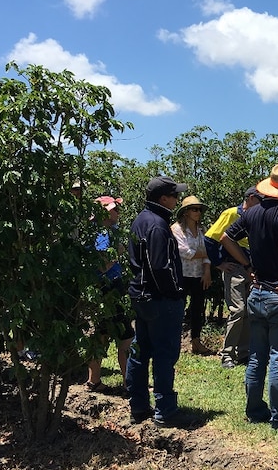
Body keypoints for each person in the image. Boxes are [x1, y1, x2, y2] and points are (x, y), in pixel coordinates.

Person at [221, 163, 278, 431]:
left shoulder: (252, 212)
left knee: (257, 357)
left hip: (257, 293)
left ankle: (254, 409)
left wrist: (247, 266)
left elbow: (225, 237)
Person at [126, 175, 192, 427]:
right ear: (163, 198)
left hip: (141, 296)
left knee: (141, 351)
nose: (177, 199)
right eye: (175, 195)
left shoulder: (142, 219)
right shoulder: (157, 225)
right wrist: (175, 292)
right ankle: (165, 410)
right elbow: (158, 267)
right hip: (158, 298)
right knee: (164, 354)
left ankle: (139, 407)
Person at [206, 185, 265, 368]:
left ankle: (244, 353)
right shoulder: (232, 214)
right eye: (260, 200)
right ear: (250, 198)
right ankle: (227, 354)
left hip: (252, 269)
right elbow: (210, 239)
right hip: (235, 269)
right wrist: (219, 263)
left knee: (249, 310)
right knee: (238, 310)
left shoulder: (258, 216)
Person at [86, 195, 134, 395]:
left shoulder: (106, 231)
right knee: (126, 336)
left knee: (102, 335)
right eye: (115, 209)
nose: (118, 213)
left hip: (108, 289)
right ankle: (129, 383)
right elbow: (102, 264)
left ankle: (94, 381)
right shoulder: (103, 233)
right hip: (109, 289)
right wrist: (120, 251)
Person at [171, 195, 213, 355]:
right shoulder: (176, 230)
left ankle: (196, 341)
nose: (198, 212)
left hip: (199, 275)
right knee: (178, 308)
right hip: (182, 275)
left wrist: (207, 270)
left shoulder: (202, 230)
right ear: (186, 212)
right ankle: (175, 341)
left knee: (197, 309)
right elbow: (184, 252)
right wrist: (204, 253)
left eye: (199, 209)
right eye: (194, 209)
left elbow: (206, 253)